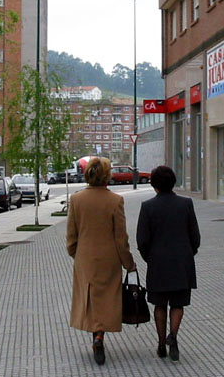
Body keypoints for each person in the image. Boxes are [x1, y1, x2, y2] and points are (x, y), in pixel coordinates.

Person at [66, 156, 136, 365]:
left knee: (89, 297)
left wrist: (75, 253)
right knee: (106, 298)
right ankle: (99, 335)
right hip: (109, 258)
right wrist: (128, 263)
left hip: (85, 257)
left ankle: (96, 335)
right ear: (107, 175)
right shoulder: (115, 200)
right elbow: (120, 237)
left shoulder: (76, 200)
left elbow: (72, 234)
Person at [136, 165, 200, 361]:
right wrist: (189, 253)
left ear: (154, 185)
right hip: (182, 262)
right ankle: (174, 336)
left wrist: (150, 258)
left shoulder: (147, 207)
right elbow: (195, 236)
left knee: (160, 304)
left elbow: (142, 240)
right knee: (178, 303)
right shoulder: (186, 204)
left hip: (158, 263)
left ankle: (161, 342)